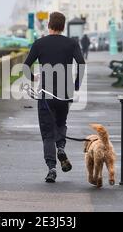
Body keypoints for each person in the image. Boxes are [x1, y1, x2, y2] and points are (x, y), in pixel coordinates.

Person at [23, 12, 86, 183]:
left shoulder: (39, 43)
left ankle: (51, 168)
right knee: (60, 123)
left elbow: (26, 66)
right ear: (63, 26)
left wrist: (33, 77)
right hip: (65, 93)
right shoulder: (71, 43)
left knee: (47, 133)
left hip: (46, 94)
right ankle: (61, 148)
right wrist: (76, 85)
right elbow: (81, 63)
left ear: (48, 25)